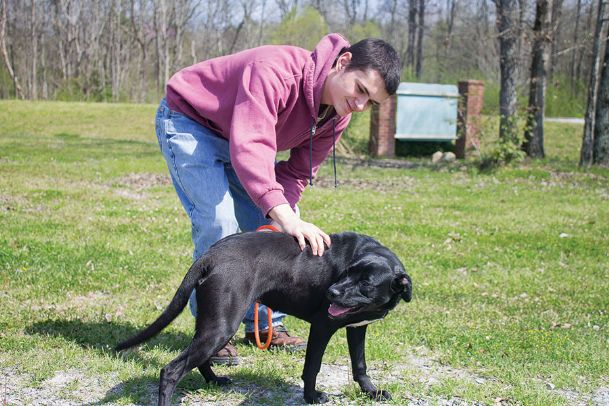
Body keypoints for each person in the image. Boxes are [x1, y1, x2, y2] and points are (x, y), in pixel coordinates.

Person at [155, 33, 400, 365]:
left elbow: (297, 173)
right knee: (220, 223)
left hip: (240, 141)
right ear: (343, 63)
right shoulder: (275, 71)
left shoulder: (337, 115)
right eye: (360, 90)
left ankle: (266, 325)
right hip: (192, 122)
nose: (359, 105)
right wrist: (283, 215)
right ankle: (212, 333)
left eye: (369, 103)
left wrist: (281, 217)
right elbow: (251, 146)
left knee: (281, 229)